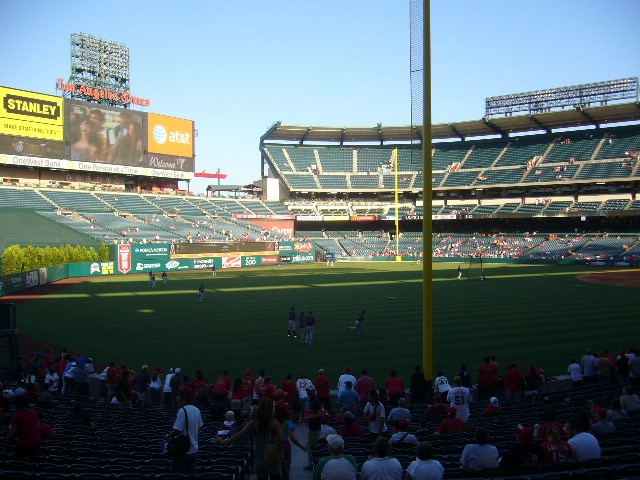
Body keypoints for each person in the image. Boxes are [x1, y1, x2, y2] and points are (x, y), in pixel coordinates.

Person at [221, 397, 284, 480]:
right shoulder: (274, 423)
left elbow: (240, 434)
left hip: (259, 457)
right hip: (272, 457)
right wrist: (278, 449)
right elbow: (281, 439)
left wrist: (225, 441)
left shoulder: (254, 422)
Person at [275, 400, 306, 480]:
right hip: (285, 448)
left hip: (274, 448)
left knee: (276, 471)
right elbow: (292, 438)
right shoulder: (288, 423)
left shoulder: (273, 421)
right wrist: (302, 446)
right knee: (285, 471)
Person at [7, 395, 42, 459]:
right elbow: (39, 427)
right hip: (36, 443)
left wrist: (6, 447)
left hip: (24, 443)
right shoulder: (33, 412)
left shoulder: (17, 415)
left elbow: (12, 433)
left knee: (18, 462)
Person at [304, 388, 323, 471]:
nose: (308, 392)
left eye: (309, 391)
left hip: (314, 428)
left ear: (313, 391)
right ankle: (312, 463)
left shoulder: (315, 401)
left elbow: (319, 414)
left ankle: (313, 464)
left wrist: (309, 418)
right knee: (310, 445)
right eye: (307, 391)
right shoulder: (311, 400)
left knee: (313, 446)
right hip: (312, 427)